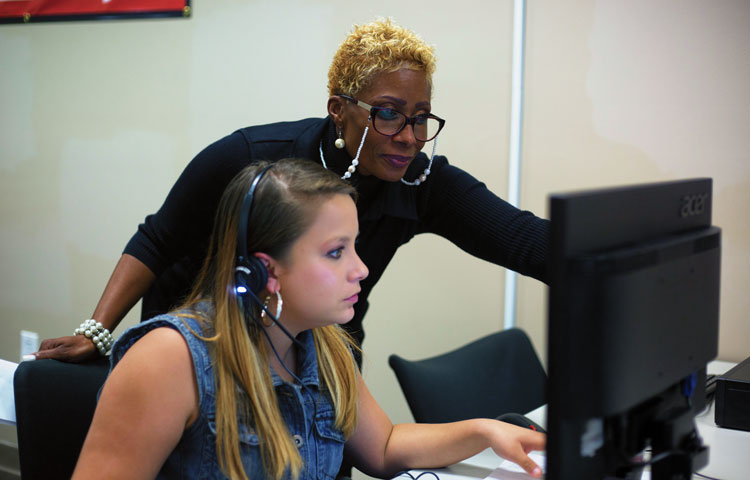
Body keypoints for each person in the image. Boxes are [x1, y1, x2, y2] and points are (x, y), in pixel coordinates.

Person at [35, 18, 549, 363]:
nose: (410, 137)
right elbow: (158, 239)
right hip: (209, 346)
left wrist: (613, 257)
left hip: (319, 355)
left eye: (419, 119)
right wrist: (96, 332)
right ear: (339, 110)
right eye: (388, 114)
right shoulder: (253, 157)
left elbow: (527, 242)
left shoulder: (420, 181)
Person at [71, 159, 545, 479]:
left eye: (354, 246)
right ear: (264, 270)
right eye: (336, 252)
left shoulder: (323, 342)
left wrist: (485, 431)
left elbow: (383, 447)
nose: (360, 269)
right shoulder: (170, 358)